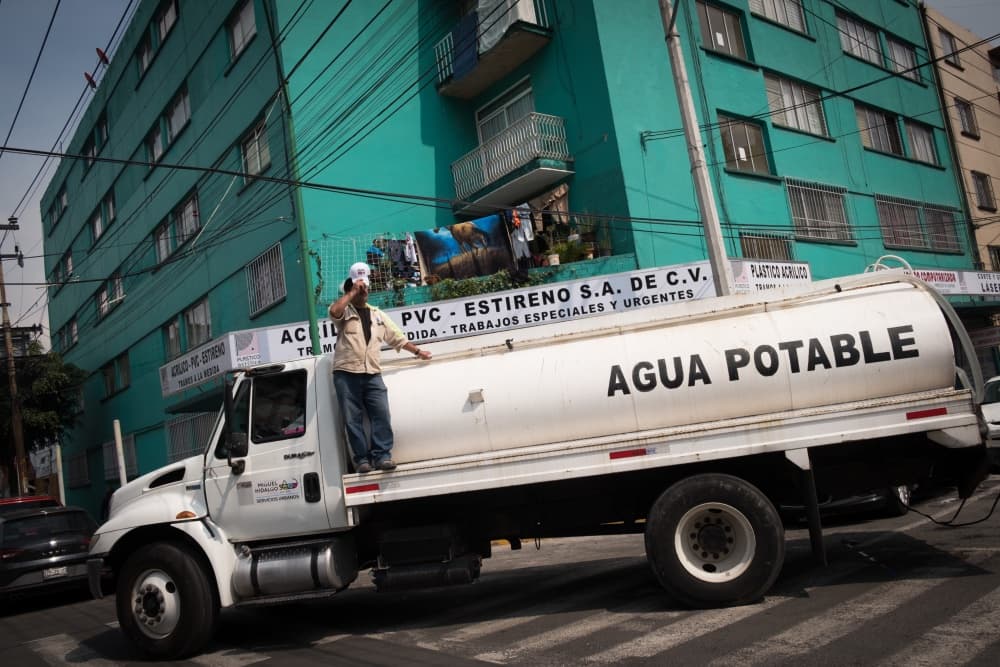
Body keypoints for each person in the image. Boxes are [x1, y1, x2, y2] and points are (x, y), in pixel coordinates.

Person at [329, 262, 432, 473]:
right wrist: (351, 292)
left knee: (381, 414)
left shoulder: (377, 314)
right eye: (361, 288)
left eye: (366, 287)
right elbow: (334, 311)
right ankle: (362, 460)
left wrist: (418, 352)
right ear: (351, 288)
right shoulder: (345, 310)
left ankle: (382, 456)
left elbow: (397, 338)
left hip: (372, 373)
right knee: (352, 419)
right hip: (346, 373)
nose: (364, 291)